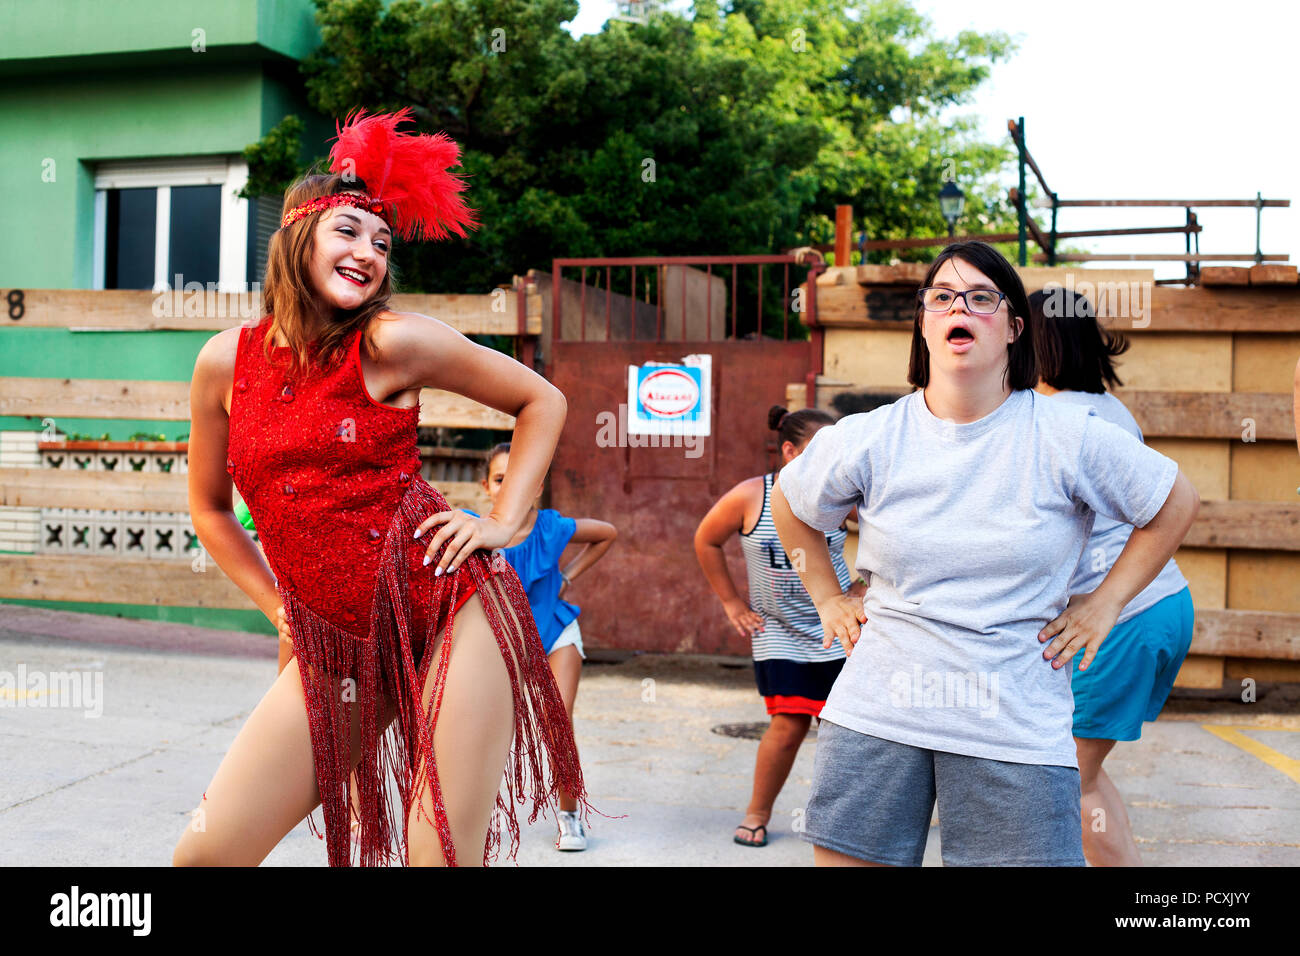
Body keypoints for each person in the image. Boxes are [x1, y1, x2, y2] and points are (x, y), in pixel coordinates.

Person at [172, 108, 588, 867]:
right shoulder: (222, 364)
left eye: (382, 242)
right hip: (332, 640)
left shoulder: (390, 341)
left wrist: (503, 520)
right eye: (348, 232)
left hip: (449, 610)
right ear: (296, 239)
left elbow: (543, 401)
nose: (369, 253)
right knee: (203, 856)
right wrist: (279, 610)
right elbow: (208, 509)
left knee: (434, 857)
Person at [772, 240, 1200, 867]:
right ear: (925, 322)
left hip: (1014, 725)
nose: (958, 308)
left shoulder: (1067, 434)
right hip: (879, 712)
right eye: (942, 296)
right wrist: (827, 598)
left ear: (1012, 327)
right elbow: (790, 501)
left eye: (980, 297)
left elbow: (1175, 500)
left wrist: (1105, 604)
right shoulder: (872, 435)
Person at [1030, 287, 1195, 866]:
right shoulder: (1109, 409)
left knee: (1060, 782)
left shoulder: (1052, 420)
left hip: (1120, 618)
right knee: (1086, 773)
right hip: (1164, 604)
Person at [694, 406, 862, 848]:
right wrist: (731, 602)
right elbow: (706, 539)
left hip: (836, 626)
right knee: (789, 725)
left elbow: (890, 535)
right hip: (779, 630)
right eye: (817, 451)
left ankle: (840, 822)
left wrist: (862, 587)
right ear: (789, 451)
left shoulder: (841, 497)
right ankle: (758, 812)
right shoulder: (752, 496)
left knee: (843, 730)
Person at [473, 442, 617, 851]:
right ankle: (475, 817)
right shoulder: (475, 528)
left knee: (558, 719)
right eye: (501, 479)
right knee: (484, 728)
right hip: (502, 640)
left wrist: (568, 576)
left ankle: (570, 816)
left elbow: (607, 534)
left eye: (520, 479)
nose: (509, 487)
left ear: (536, 487)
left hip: (554, 633)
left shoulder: (552, 527)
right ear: (487, 486)